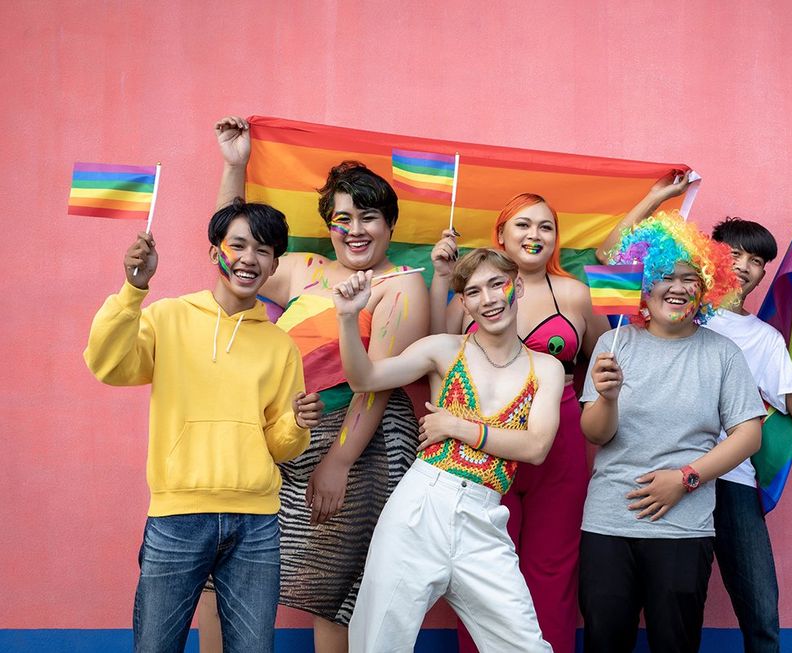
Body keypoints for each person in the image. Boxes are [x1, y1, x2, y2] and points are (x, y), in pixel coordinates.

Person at [198, 117, 429, 653]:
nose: (355, 230)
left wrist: (339, 461)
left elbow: (375, 383)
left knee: (331, 588)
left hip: (358, 444)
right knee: (218, 572)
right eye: (342, 218)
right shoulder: (305, 269)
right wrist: (235, 165)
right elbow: (233, 251)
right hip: (280, 437)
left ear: (390, 225)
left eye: (368, 217)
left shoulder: (401, 286)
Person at [83, 200, 322, 653]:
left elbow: (280, 446)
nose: (249, 258)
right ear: (216, 252)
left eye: (264, 250)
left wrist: (296, 423)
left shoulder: (280, 346)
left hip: (256, 524)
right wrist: (134, 290)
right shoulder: (167, 317)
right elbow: (107, 364)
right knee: (155, 646)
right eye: (239, 245)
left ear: (274, 265)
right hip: (177, 516)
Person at [336, 249, 565, 652]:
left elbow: (536, 447)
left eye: (497, 284)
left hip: (484, 518)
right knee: (378, 642)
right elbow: (365, 378)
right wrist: (348, 318)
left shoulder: (546, 368)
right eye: (474, 292)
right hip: (420, 506)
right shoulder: (443, 349)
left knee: (525, 646)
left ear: (517, 286)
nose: (489, 299)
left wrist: (457, 427)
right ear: (463, 302)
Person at [430, 193, 609, 653]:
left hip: (559, 444)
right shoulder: (471, 297)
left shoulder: (575, 293)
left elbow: (610, 358)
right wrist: (442, 279)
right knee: (481, 569)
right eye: (523, 225)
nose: (535, 235)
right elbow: (438, 354)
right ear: (501, 236)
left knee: (553, 568)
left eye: (546, 226)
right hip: (482, 444)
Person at [579, 212, 766, 653]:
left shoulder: (722, 353)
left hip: (683, 529)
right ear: (645, 284)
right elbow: (595, 434)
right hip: (608, 523)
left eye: (690, 278)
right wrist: (607, 397)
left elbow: (748, 435)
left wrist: (685, 479)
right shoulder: (613, 345)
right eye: (665, 275)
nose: (678, 287)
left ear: (707, 288)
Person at [703, 217, 792, 653]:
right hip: (671, 471)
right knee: (675, 608)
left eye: (756, 260)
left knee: (762, 615)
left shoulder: (763, 339)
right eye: (734, 254)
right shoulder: (679, 312)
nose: (744, 266)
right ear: (710, 254)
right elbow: (608, 261)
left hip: (733, 480)